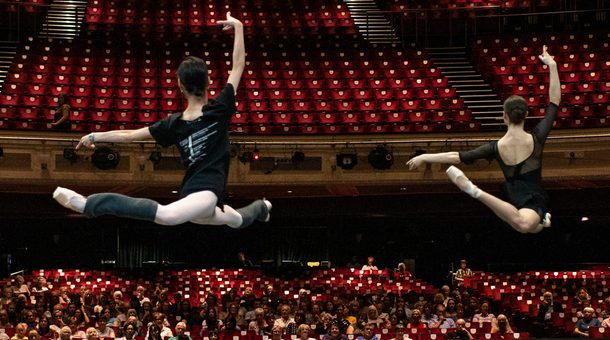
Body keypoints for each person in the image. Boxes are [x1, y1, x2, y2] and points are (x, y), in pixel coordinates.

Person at [52, 12, 272, 230]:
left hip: (208, 191)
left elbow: (129, 135)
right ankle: (262, 207)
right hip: (192, 193)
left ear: (180, 86)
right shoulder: (210, 110)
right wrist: (239, 27)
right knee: (236, 221)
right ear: (209, 82)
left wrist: (94, 135)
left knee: (167, 215)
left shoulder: (190, 118)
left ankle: (90, 204)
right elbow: (238, 64)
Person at [407, 45, 560, 234]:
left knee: (527, 227)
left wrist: (426, 157)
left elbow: (457, 156)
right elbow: (554, 102)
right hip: (524, 200)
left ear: (504, 116)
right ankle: (537, 219)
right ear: (526, 115)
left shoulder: (495, 147)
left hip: (521, 199)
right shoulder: (537, 138)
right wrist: (552, 65)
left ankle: (477, 193)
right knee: (528, 226)